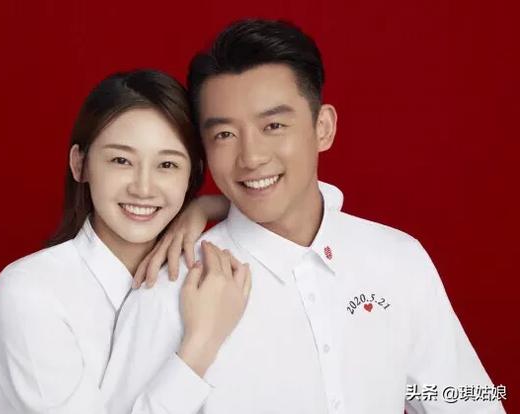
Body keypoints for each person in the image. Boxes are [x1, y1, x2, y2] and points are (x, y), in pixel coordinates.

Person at [101, 20, 506, 413]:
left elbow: (468, 401)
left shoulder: (398, 260)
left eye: (274, 125)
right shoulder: (169, 287)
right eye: (225, 134)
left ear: (323, 127)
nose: (251, 157)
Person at [0, 69, 252, 414]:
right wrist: (201, 344)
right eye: (121, 160)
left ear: (192, 175)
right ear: (80, 165)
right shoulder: (30, 292)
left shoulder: (192, 276)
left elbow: (288, 205)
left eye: (167, 165)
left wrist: (205, 206)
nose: (143, 187)